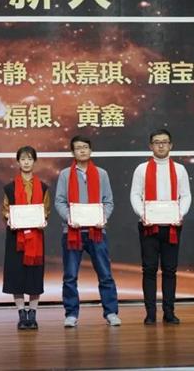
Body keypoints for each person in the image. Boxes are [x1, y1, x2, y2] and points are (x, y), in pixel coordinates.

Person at [54, 135, 121, 327]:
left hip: (96, 232)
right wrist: (70, 218)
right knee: (70, 276)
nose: (82, 150)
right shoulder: (65, 174)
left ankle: (111, 312)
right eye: (78, 148)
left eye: (85, 147)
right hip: (72, 232)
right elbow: (59, 201)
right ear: (72, 152)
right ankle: (71, 314)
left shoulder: (101, 174)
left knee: (105, 274)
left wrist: (103, 217)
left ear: (90, 150)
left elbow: (108, 201)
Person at [129, 128, 191, 325]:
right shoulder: (141, 169)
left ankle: (169, 312)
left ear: (171, 145)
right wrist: (143, 214)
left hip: (172, 225)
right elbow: (135, 195)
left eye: (164, 142)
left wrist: (180, 214)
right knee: (149, 269)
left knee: (170, 270)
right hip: (149, 226)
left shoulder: (180, 169)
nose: (161, 145)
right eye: (157, 142)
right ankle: (150, 313)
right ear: (151, 146)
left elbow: (186, 195)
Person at [1, 146, 51, 330]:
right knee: (17, 275)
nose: (26, 162)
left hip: (36, 237)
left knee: (34, 276)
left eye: (30, 159)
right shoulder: (9, 188)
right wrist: (10, 218)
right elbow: (5, 210)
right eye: (23, 159)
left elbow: (46, 211)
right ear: (18, 162)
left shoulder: (43, 187)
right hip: (16, 238)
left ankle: (33, 314)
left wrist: (43, 220)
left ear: (34, 161)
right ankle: (22, 314)